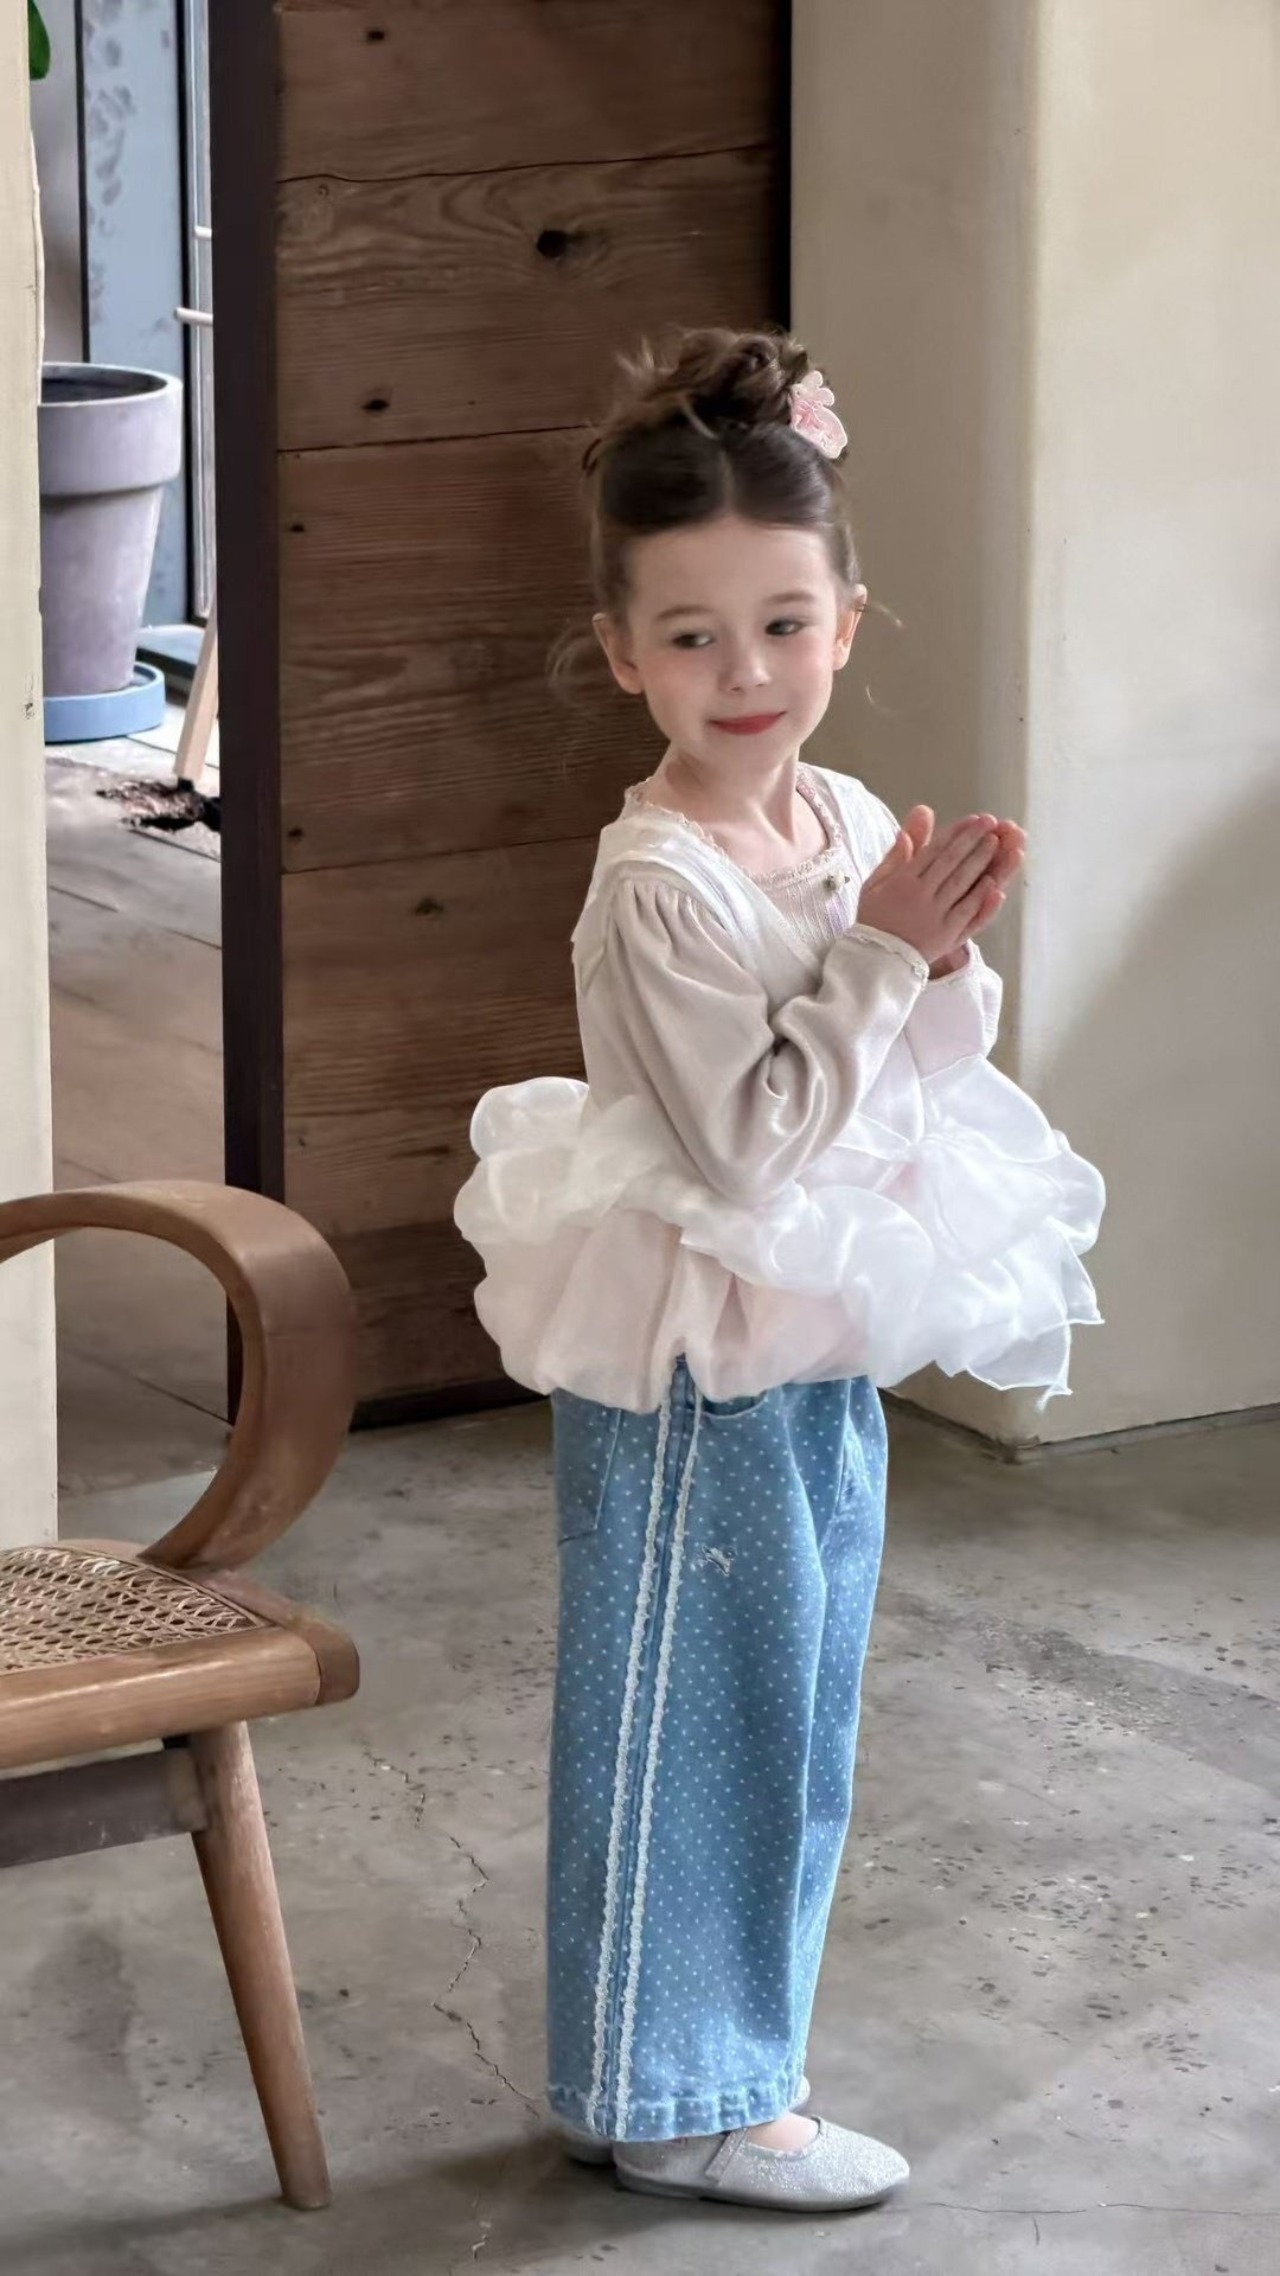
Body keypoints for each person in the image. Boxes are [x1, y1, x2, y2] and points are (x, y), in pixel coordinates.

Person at [455, 329, 1103, 2214]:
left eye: (784, 626)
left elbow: (918, 1070)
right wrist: (881, 957)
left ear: (846, 623)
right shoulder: (658, 882)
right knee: (693, 1714)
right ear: (620, 652)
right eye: (692, 637)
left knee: (792, 1704)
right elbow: (745, 1144)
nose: (745, 676)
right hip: (691, 1359)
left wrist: (937, 946)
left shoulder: (840, 819)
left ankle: (689, 2067)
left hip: (802, 1340)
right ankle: (681, 2099)